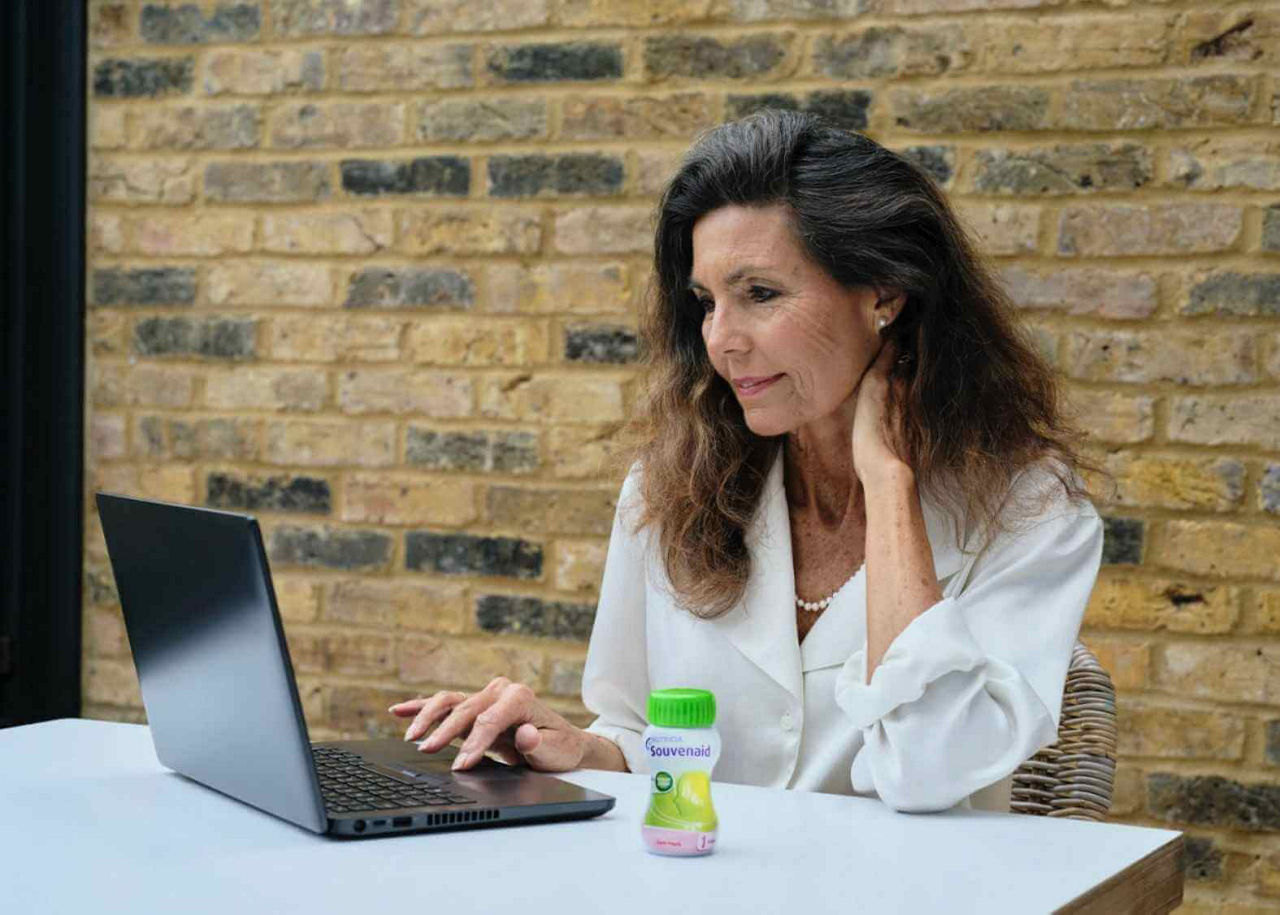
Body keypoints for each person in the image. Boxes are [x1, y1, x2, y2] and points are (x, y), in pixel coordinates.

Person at [389, 110, 1108, 813]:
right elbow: (644, 738)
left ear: (885, 293)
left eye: (760, 293)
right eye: (706, 301)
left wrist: (889, 480)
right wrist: (575, 749)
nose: (721, 339)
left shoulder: (1030, 509)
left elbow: (929, 767)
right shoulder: (667, 486)